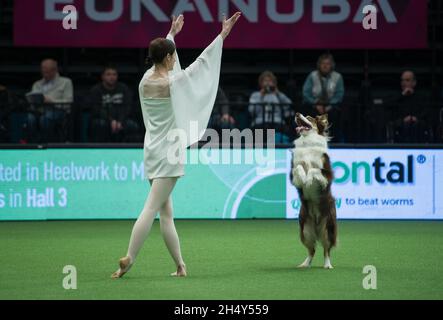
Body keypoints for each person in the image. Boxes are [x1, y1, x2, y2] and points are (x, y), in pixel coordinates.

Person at [111, 12, 242, 279]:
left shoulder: (145, 80)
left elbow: (168, 57)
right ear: (169, 58)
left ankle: (180, 265)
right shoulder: (174, 83)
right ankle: (130, 257)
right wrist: (222, 35)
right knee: (152, 208)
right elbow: (200, 65)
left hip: (151, 148)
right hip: (170, 151)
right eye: (173, 56)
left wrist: (171, 34)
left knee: (166, 212)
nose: (175, 59)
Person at [87, 65, 139, 142]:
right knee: (99, 125)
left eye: (114, 74)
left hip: (121, 119)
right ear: (102, 76)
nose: (112, 77)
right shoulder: (96, 90)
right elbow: (96, 109)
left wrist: (120, 121)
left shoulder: (124, 88)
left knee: (132, 125)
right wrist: (111, 121)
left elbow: (128, 107)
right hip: (103, 118)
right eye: (108, 74)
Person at [28, 59, 74, 142]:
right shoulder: (37, 84)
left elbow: (69, 101)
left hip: (59, 111)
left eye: (47, 72)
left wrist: (52, 101)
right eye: (43, 72)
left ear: (55, 70)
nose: (44, 74)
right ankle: (33, 144)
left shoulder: (66, 82)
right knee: (30, 118)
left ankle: (47, 143)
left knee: (45, 118)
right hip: (39, 110)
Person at [302, 53, 344, 141]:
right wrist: (316, 104)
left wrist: (328, 107)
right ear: (319, 65)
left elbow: (339, 95)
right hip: (314, 106)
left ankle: (334, 142)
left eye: (327, 64)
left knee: (335, 115)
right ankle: (311, 140)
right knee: (309, 114)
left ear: (331, 65)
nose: (325, 66)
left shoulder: (337, 77)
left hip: (331, 107)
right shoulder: (312, 76)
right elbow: (306, 93)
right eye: (323, 63)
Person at [248, 71, 292, 143]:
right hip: (260, 122)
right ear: (261, 83)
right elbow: (251, 110)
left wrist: (278, 93)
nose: (268, 83)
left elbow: (289, 105)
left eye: (270, 81)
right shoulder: (255, 95)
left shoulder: (278, 94)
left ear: (274, 83)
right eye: (265, 81)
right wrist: (261, 96)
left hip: (277, 122)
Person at [390, 70, 430, 143]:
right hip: (401, 124)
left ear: (414, 83)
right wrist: (402, 95)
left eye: (407, 80)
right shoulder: (396, 97)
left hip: (417, 124)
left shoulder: (421, 98)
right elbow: (389, 108)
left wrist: (415, 118)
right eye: (402, 80)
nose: (404, 83)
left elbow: (425, 112)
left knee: (418, 125)